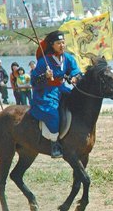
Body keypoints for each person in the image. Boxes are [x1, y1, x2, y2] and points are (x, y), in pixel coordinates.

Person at [30, 30, 81, 158]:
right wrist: (45, 76)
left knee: (78, 103)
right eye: (59, 43)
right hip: (45, 92)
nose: (62, 45)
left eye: (63, 42)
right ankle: (54, 144)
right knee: (52, 113)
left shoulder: (68, 58)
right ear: (52, 45)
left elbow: (75, 70)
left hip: (62, 89)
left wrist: (74, 77)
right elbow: (34, 81)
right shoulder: (44, 61)